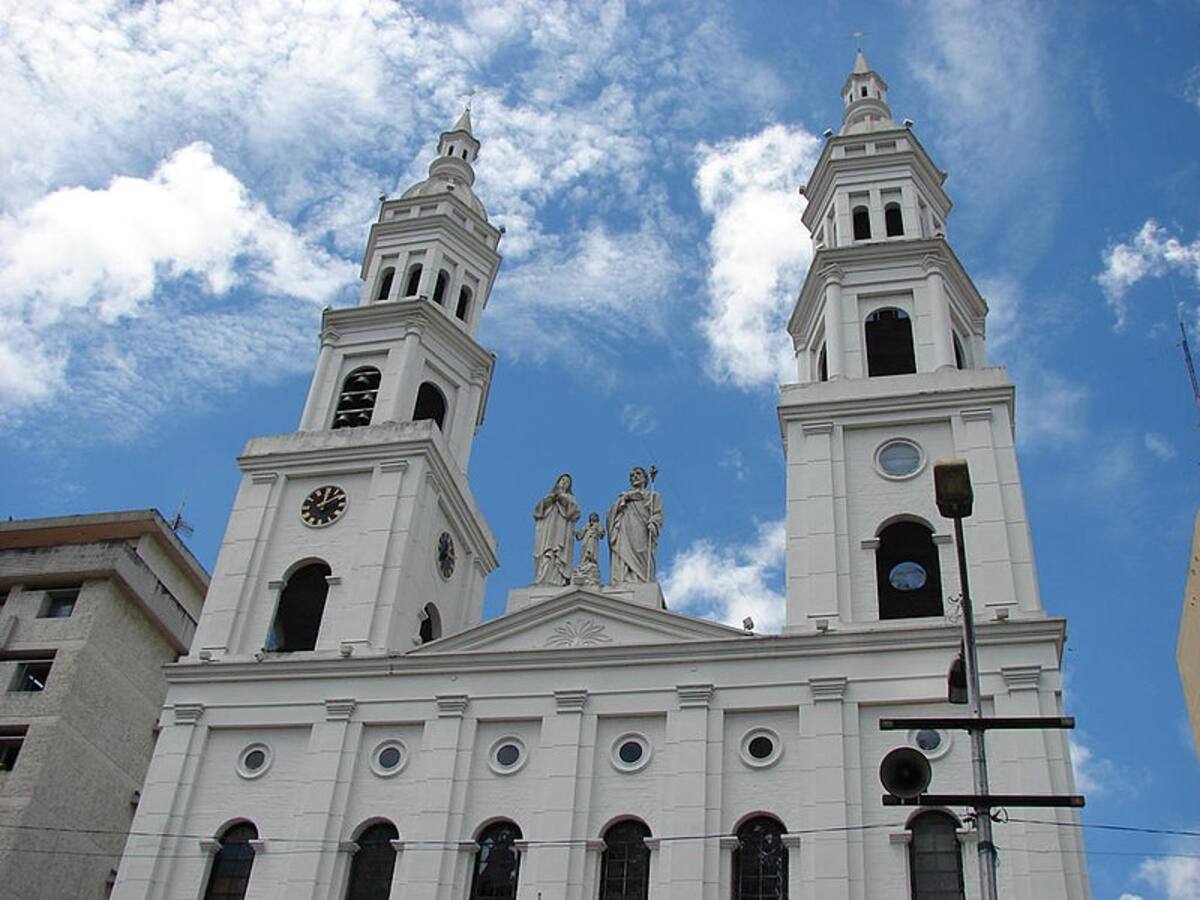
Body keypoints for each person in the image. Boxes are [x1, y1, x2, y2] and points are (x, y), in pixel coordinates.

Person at [606, 466, 663, 584]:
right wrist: (625, 499)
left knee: (642, 552)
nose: (634, 477)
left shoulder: (653, 495)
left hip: (642, 529)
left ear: (645, 478)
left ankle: (642, 580)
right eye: (632, 475)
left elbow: (657, 513)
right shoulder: (624, 497)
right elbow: (610, 514)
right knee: (624, 552)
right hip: (625, 529)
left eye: (638, 474)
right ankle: (624, 578)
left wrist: (654, 523)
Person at [532, 473, 580, 585]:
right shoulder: (548, 496)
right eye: (562, 480)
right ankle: (542, 578)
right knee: (546, 552)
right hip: (547, 529)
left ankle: (557, 579)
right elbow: (538, 511)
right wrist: (551, 500)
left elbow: (574, 513)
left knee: (557, 552)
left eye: (567, 482)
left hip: (561, 529)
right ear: (557, 482)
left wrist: (562, 498)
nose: (564, 483)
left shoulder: (570, 498)